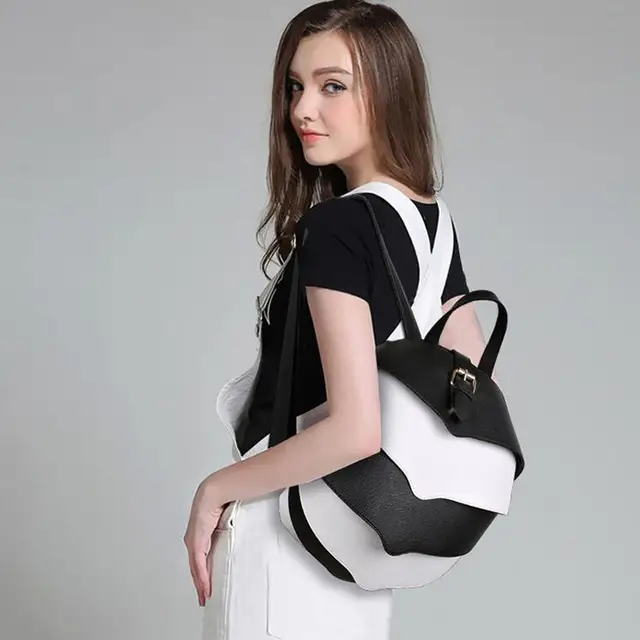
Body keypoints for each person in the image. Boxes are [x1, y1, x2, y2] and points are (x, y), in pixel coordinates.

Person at [184, 1, 491, 638]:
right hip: (361, 550)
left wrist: (216, 489)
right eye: (295, 87)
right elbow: (470, 389)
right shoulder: (433, 225)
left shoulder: (338, 225)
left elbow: (355, 430)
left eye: (333, 86)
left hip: (284, 537)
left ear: (389, 89)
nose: (302, 110)